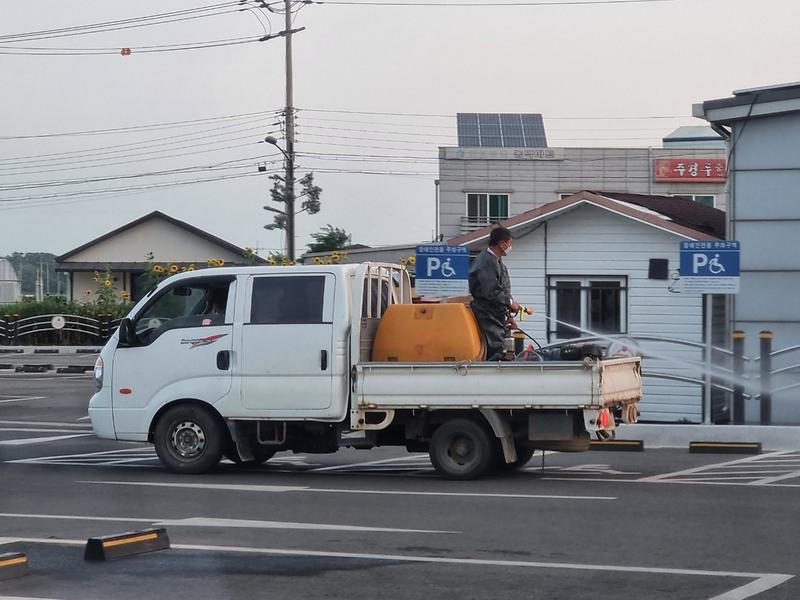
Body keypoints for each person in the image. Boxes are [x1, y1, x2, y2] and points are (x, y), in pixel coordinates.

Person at [468, 226, 529, 360]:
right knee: (499, 349)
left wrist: (508, 315)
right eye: (509, 243)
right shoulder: (485, 262)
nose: (510, 247)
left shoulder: (497, 262)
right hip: (486, 313)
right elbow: (492, 291)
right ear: (502, 244)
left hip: (497, 314)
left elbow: (504, 290)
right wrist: (511, 303)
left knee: (507, 347)